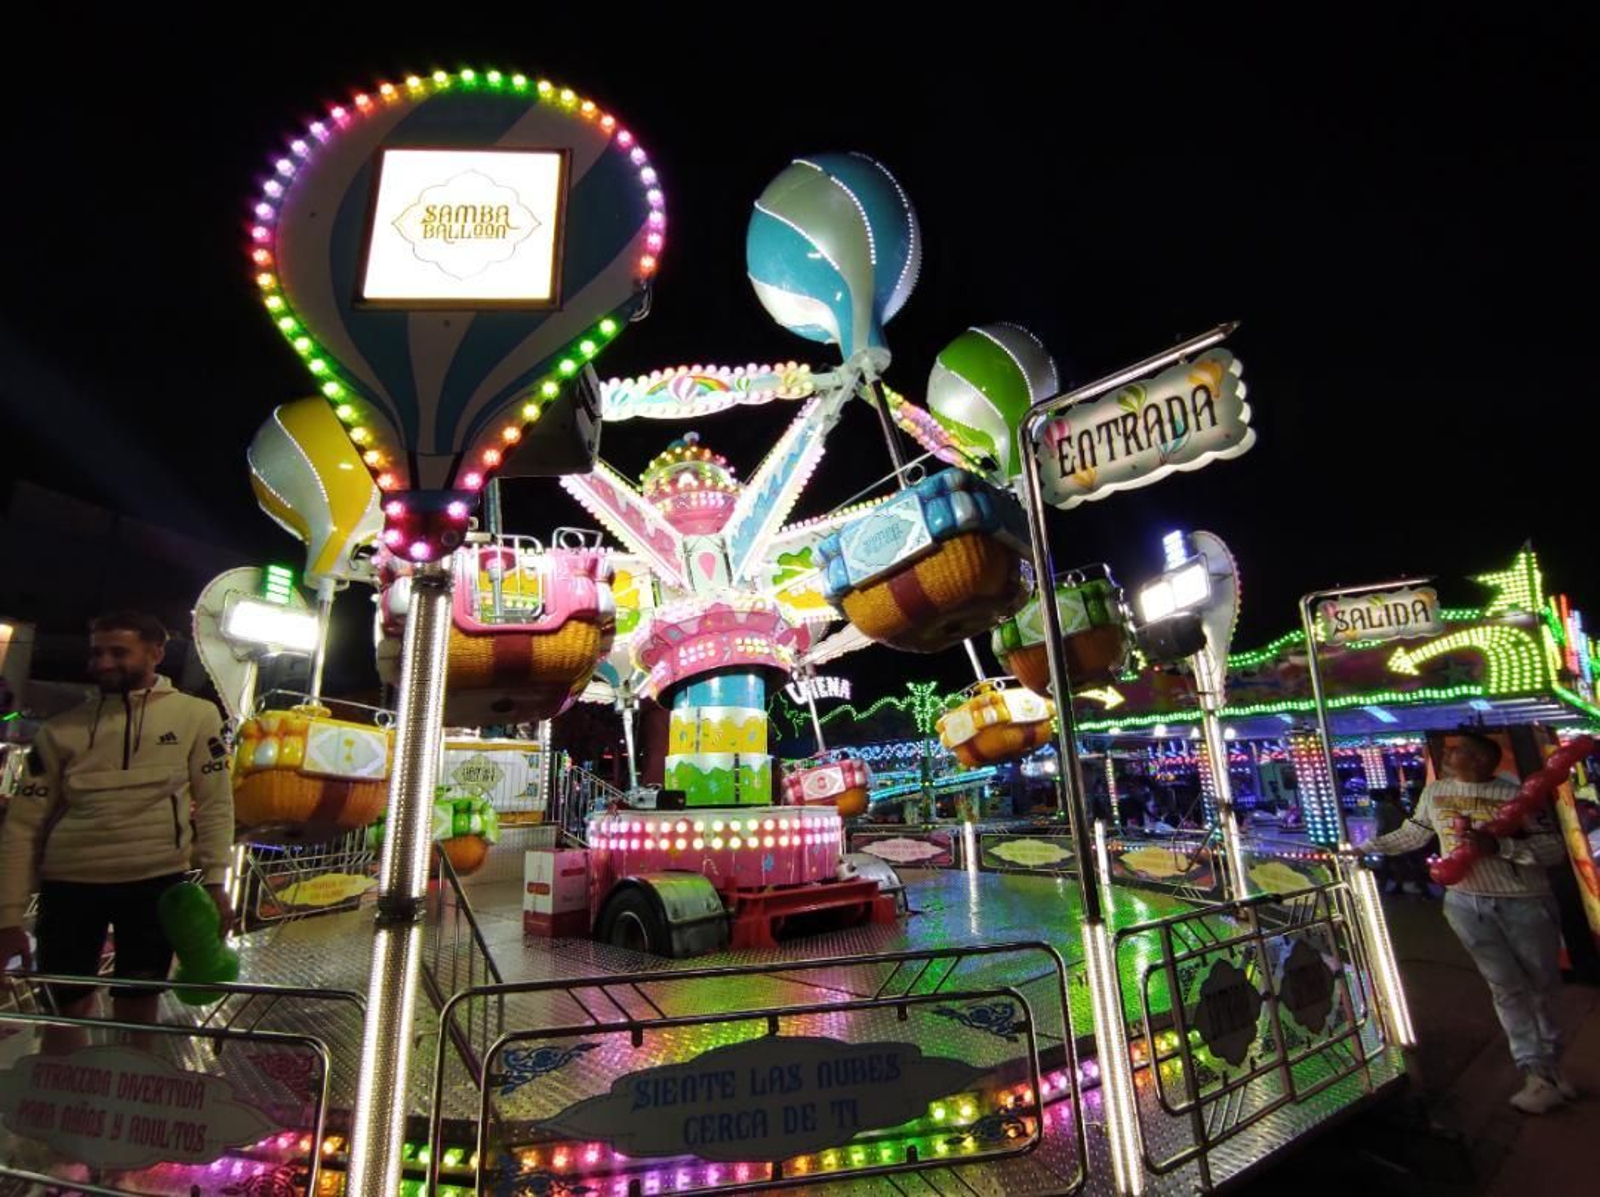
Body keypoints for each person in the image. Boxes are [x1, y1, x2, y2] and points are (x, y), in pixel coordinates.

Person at [0, 611, 235, 1045]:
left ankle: (128, 1085)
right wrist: (8, 917)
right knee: (64, 1013)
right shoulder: (59, 731)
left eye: (118, 652)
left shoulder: (197, 716)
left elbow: (216, 803)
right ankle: (63, 1087)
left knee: (138, 1011)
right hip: (68, 888)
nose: (103, 663)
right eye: (97, 653)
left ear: (156, 654)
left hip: (155, 884)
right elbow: (21, 825)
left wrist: (216, 881)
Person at [1361, 731, 1574, 1113]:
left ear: (1480, 759)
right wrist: (1363, 850)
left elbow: (1553, 849)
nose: (1447, 754)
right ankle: (1536, 1073)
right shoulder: (1435, 792)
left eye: (1457, 750)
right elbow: (1414, 834)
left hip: (1524, 901)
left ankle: (1551, 1065)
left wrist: (1502, 847)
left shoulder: (1515, 796)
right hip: (1463, 902)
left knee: (1541, 985)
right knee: (1505, 987)